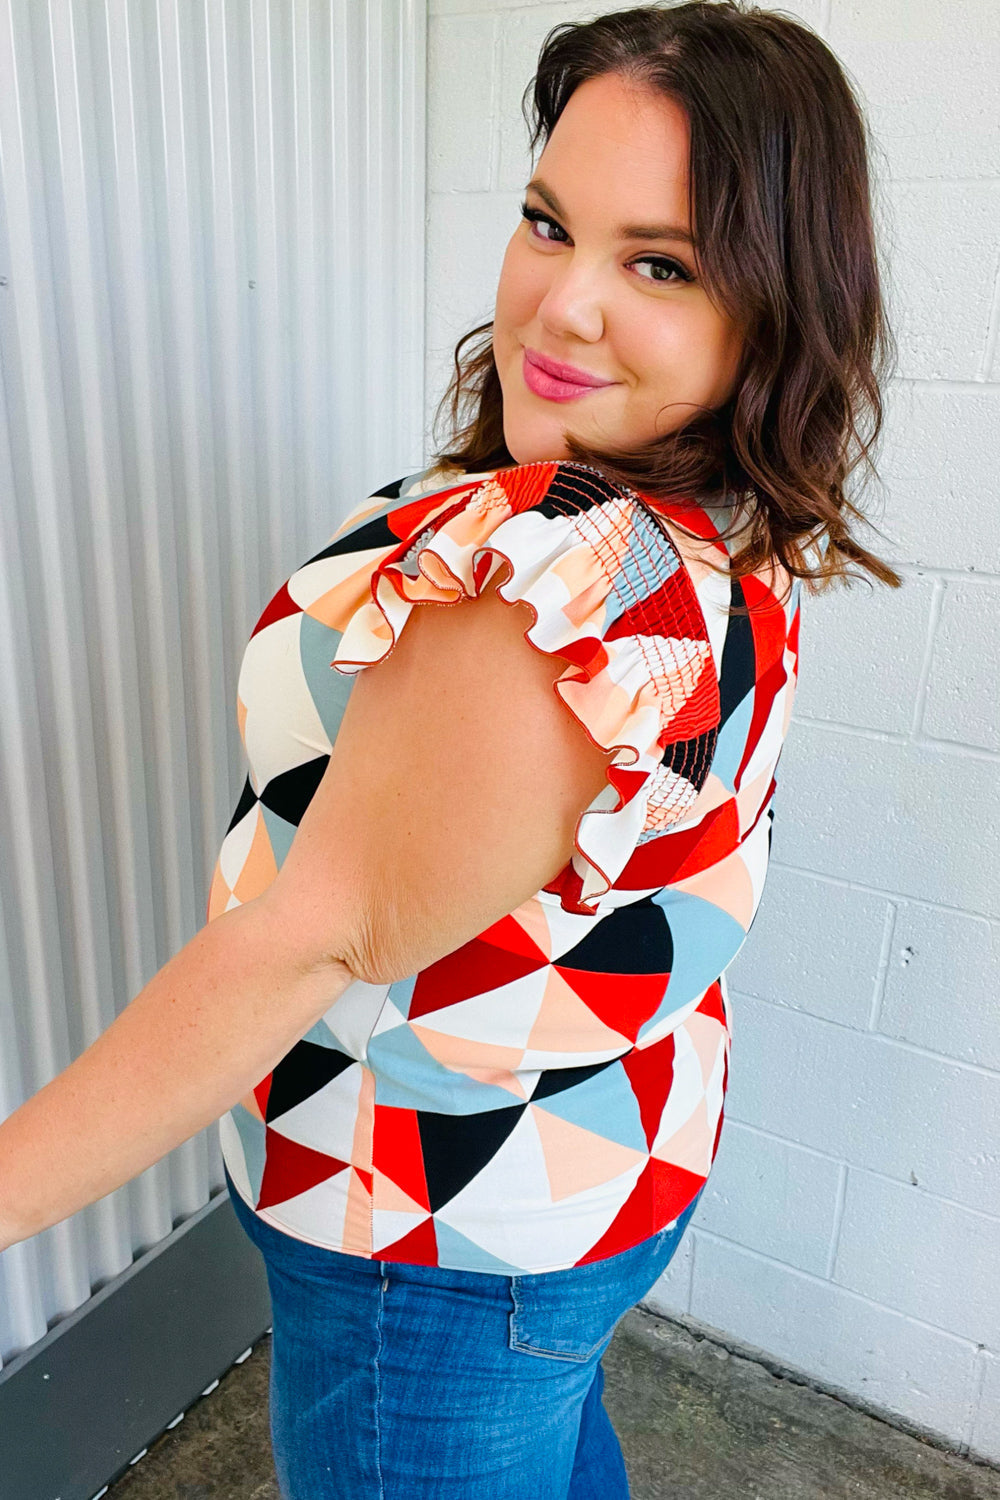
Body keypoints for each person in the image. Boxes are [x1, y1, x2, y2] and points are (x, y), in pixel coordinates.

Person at [0, 3, 902, 1496]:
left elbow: (301, 944)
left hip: (428, 1243)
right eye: (549, 223)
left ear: (777, 306)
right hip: (594, 1169)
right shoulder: (724, 514)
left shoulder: (553, 579)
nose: (560, 307)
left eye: (659, 264)